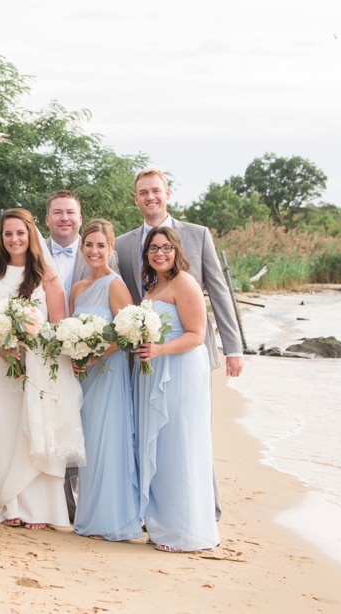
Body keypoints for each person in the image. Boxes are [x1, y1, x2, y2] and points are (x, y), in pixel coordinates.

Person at [115, 168, 243, 518]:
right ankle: (153, 507)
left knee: (190, 432)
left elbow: (218, 291)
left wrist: (233, 348)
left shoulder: (198, 235)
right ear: (136, 198)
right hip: (141, 358)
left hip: (186, 355)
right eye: (143, 192)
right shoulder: (124, 243)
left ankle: (205, 508)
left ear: (167, 193)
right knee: (150, 432)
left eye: (155, 191)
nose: (150, 197)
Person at [0, 208, 85, 530]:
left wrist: (27, 345)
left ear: (31, 234)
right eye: (8, 234)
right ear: (1, 237)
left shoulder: (46, 276)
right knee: (1, 432)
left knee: (32, 430)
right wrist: (0, 345)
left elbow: (58, 325)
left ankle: (39, 509)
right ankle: (8, 505)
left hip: (36, 365)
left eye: (20, 233)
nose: (14, 239)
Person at [133, 227, 219, 552]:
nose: (159, 253)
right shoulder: (155, 285)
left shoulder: (185, 282)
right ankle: (164, 524)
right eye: (153, 248)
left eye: (166, 247)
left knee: (181, 445)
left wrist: (159, 351)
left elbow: (197, 334)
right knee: (163, 447)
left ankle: (185, 533)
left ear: (176, 250)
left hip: (180, 371)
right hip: (157, 370)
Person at [42, 190, 119, 521]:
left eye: (70, 212)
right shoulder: (35, 250)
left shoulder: (103, 270)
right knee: (55, 426)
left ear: (80, 218)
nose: (64, 218)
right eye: (57, 212)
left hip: (94, 364)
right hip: (45, 352)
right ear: (47, 218)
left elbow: (123, 322)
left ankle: (84, 504)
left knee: (88, 430)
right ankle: (55, 503)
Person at [68, 220, 142, 541]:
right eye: (89, 245)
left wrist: (95, 356)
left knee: (106, 443)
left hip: (108, 374)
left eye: (101, 245)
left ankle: (111, 519)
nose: (94, 251)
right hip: (82, 377)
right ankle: (89, 515)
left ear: (111, 250)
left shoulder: (115, 285)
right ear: (82, 248)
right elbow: (70, 331)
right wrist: (75, 354)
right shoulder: (77, 289)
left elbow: (129, 333)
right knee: (88, 446)